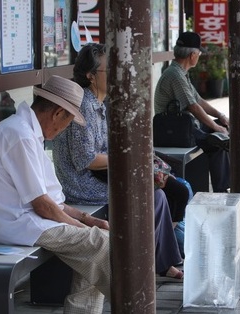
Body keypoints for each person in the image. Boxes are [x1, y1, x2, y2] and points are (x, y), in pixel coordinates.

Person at [0, 75, 111, 313]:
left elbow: (54, 201)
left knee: (97, 247)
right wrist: (83, 229)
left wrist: (87, 219)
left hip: (34, 222)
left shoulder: (25, 132)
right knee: (102, 244)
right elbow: (42, 205)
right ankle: (133, 302)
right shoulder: (19, 135)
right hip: (21, 225)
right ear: (58, 113)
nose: (63, 130)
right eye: (68, 122)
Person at [53, 43, 184, 279]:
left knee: (160, 191)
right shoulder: (84, 105)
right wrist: (129, 160)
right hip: (81, 184)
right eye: (109, 70)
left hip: (97, 177)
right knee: (150, 194)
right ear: (91, 76)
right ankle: (140, 267)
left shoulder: (98, 104)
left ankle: (160, 262)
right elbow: (87, 159)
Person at [154, 32, 231, 192]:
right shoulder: (175, 75)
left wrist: (220, 117)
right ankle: (221, 190)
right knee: (217, 141)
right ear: (192, 55)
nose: (199, 56)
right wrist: (216, 128)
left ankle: (223, 186)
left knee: (220, 132)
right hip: (173, 130)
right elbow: (193, 106)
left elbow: (199, 100)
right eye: (199, 53)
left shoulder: (180, 73)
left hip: (184, 126)